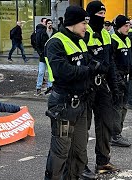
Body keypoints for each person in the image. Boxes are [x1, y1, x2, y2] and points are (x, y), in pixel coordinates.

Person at [44, 6, 98, 180]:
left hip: (81, 104)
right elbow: (62, 71)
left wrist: (98, 68)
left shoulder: (80, 40)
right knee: (60, 153)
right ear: (73, 23)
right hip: (64, 104)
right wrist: (88, 70)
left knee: (79, 151)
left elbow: (89, 63)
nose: (86, 27)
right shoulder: (55, 42)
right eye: (83, 23)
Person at [81, 1, 120, 179]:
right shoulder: (84, 33)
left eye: (104, 13)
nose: (102, 16)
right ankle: (80, 166)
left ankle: (103, 161)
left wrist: (115, 87)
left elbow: (110, 63)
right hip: (87, 85)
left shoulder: (106, 35)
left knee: (105, 123)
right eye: (99, 13)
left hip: (102, 85)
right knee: (83, 127)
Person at [110, 15, 132, 148]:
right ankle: (115, 135)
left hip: (125, 78)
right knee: (117, 108)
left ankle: (117, 132)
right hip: (117, 79)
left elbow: (129, 60)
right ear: (118, 27)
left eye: (129, 25)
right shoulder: (113, 40)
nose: (128, 28)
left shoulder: (127, 40)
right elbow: (112, 62)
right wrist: (117, 80)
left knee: (124, 107)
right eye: (125, 26)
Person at [35, 19, 56, 96]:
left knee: (50, 73)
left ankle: (49, 87)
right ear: (46, 24)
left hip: (51, 56)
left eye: (51, 23)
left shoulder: (55, 33)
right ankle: (38, 87)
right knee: (41, 72)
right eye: (48, 23)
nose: (50, 24)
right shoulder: (42, 33)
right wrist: (40, 53)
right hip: (43, 56)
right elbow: (37, 44)